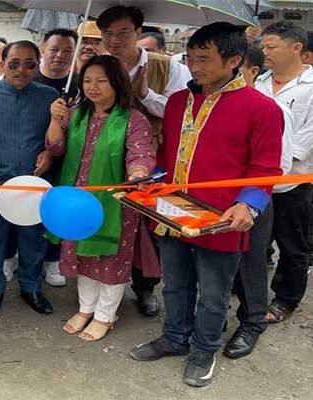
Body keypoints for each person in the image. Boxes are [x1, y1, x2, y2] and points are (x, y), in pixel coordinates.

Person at [130, 22, 284, 388]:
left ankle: (204, 349)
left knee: (214, 294)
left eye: (204, 59)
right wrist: (150, 180)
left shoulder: (261, 109)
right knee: (174, 285)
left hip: (220, 220)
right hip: (172, 213)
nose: (194, 67)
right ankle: (175, 337)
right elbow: (168, 156)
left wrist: (248, 206)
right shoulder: (179, 102)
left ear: (234, 60)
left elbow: (265, 170)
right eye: (190, 58)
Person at [47, 55, 157, 341]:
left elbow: (141, 154)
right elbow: (56, 148)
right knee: (84, 255)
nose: (92, 87)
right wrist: (55, 119)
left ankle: (106, 315)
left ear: (117, 83)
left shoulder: (133, 119)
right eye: (87, 81)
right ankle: (86, 309)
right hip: (78, 201)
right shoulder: (76, 113)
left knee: (110, 258)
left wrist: (137, 173)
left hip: (115, 202)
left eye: (101, 81)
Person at [97, 5, 192, 317]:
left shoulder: (168, 67)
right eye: (108, 34)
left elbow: (182, 113)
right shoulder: (99, 65)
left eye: (123, 32)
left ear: (139, 32)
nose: (114, 40)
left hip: (155, 158)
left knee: (149, 226)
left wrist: (147, 94)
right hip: (106, 157)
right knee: (109, 219)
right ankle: (100, 285)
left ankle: (146, 288)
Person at [0, 40, 57, 319]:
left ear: (38, 64)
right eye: (14, 63)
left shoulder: (49, 97)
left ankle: (31, 287)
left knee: (33, 240)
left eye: (30, 64)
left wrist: (49, 154)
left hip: (33, 184)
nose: (22, 70)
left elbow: (56, 140)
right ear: (0, 63)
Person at [225, 45, 295, 359]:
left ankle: (252, 322)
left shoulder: (271, 109)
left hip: (254, 200)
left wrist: (252, 200)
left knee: (251, 263)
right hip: (218, 201)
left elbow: (280, 163)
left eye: (235, 72)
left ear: (251, 69)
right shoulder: (219, 106)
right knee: (220, 264)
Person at [255, 21, 313, 325]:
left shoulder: (311, 87)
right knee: (254, 240)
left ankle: (286, 299)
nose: (264, 52)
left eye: (271, 47)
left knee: (292, 244)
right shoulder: (259, 83)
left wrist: (277, 162)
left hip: (293, 182)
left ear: (296, 48)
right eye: (263, 47)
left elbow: (306, 137)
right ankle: (249, 290)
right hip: (256, 180)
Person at [35, 29, 79, 98]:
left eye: (67, 51)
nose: (60, 55)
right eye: (54, 50)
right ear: (42, 51)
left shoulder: (80, 84)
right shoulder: (28, 81)